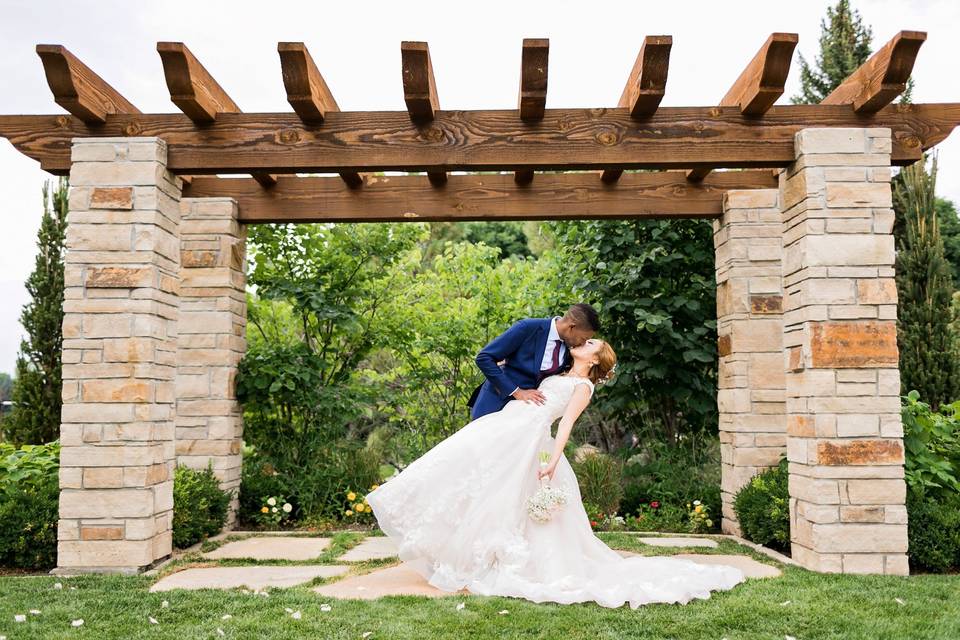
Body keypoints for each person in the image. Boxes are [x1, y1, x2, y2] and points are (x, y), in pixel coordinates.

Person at [366, 338, 747, 609]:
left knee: (508, 495)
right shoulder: (559, 369)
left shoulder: (582, 386)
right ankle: (455, 541)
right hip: (508, 424)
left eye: (592, 345)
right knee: (465, 470)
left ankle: (501, 558)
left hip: (532, 438)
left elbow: (565, 425)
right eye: (585, 342)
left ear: (597, 360)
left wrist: (552, 459)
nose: (583, 345)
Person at [468, 303, 599, 420]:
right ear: (572, 327)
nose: (583, 343)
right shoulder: (528, 327)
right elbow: (484, 358)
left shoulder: (570, 349)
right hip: (494, 403)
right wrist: (517, 392)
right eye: (583, 338)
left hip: (522, 415)